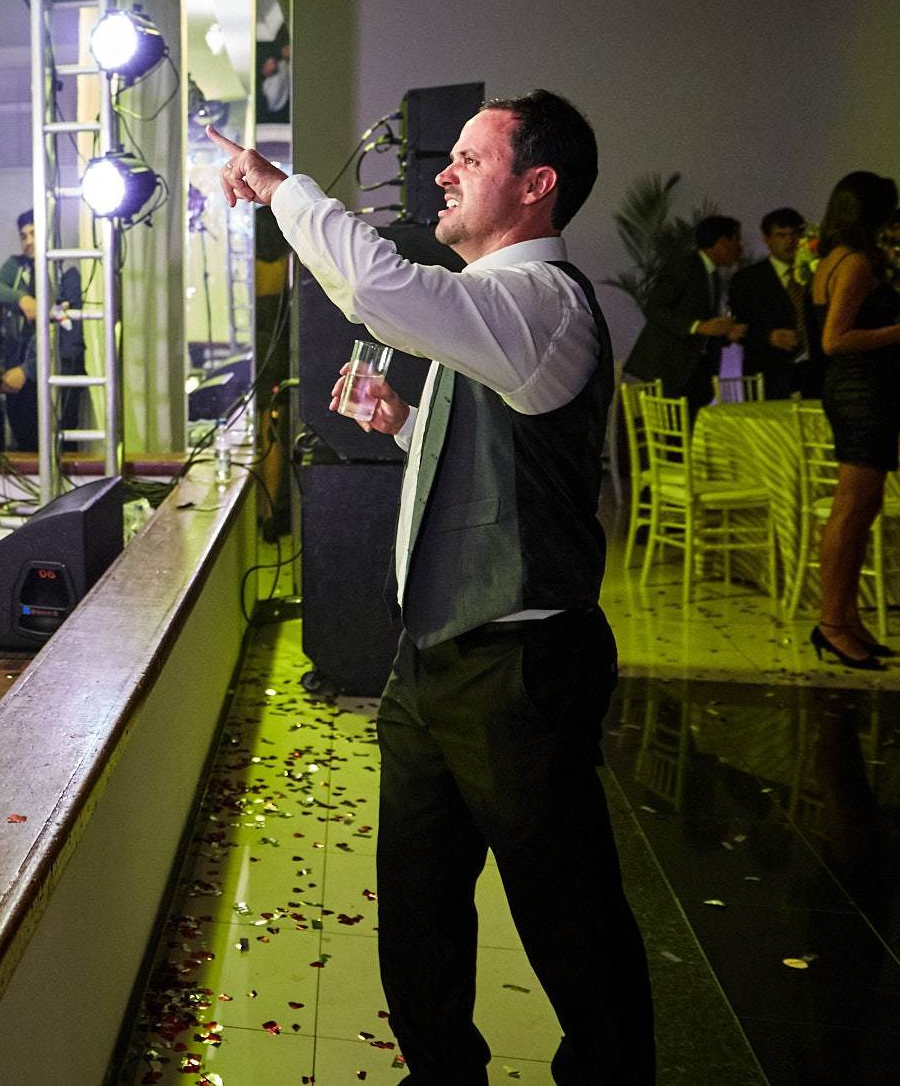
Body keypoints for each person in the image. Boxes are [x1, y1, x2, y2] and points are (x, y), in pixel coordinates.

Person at [209, 91, 654, 1084]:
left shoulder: (539, 301)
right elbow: (503, 472)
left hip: (518, 667)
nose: (442, 173)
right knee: (416, 901)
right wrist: (403, 424)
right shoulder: (486, 308)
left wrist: (281, 190)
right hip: (433, 660)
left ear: (536, 185)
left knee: (569, 916)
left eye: (468, 158)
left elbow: (379, 287)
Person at [807, 170, 900, 669]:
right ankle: (832, 623)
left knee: (861, 509)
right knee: (852, 509)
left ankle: (847, 617)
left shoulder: (833, 258)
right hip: (862, 391)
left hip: (857, 390)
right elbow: (834, 340)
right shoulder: (856, 262)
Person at [0, 209, 83, 451]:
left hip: (55, 379)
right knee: (26, 452)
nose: (28, 241)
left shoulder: (68, 278)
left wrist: (27, 370)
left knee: (60, 451)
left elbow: (66, 338)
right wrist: (22, 299)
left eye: (34, 233)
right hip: (18, 382)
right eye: (23, 236)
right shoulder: (16, 268)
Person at [624, 212, 747, 415]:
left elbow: (703, 329)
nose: (740, 248)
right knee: (661, 433)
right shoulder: (685, 265)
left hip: (689, 377)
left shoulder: (712, 276)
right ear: (723, 242)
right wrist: (698, 326)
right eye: (737, 240)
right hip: (662, 372)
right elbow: (654, 307)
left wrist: (725, 333)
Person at [730, 206, 821, 399]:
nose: (789, 241)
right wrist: (768, 337)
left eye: (795, 235)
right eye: (781, 235)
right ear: (767, 239)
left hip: (815, 373)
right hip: (769, 373)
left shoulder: (817, 272)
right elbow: (737, 329)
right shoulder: (748, 279)